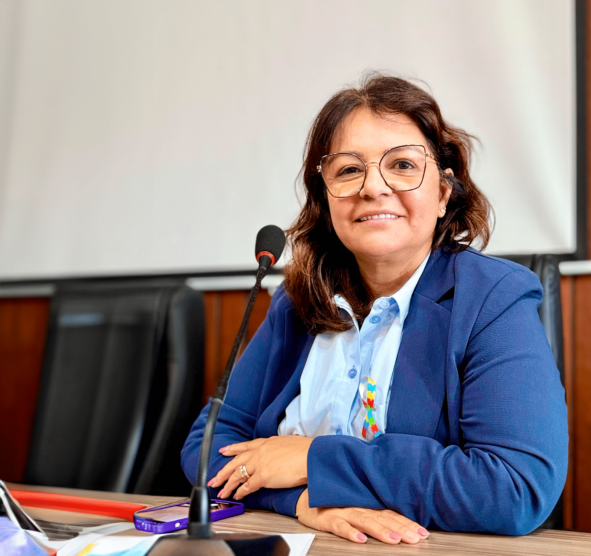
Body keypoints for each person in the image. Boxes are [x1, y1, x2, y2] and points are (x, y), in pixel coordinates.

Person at [181, 74, 568, 545]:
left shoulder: (492, 298)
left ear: (443, 193)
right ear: (325, 198)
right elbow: (208, 448)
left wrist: (311, 460)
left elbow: (514, 487)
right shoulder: (296, 302)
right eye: (348, 170)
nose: (373, 187)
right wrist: (303, 501)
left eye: (402, 164)